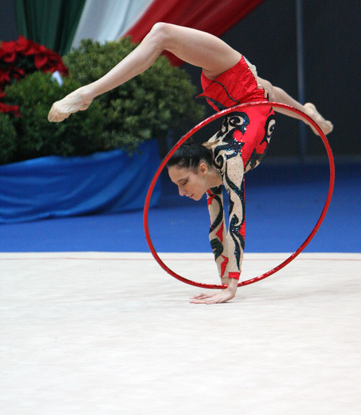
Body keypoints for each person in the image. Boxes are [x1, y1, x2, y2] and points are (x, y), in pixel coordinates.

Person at [48, 23, 333, 304]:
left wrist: (231, 285)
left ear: (202, 169)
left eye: (182, 183)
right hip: (244, 98)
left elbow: (236, 219)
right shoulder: (216, 167)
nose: (182, 193)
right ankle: (311, 115)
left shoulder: (225, 161)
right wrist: (225, 282)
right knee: (266, 91)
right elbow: (218, 226)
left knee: (162, 33)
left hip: (235, 82)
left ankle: (88, 94)